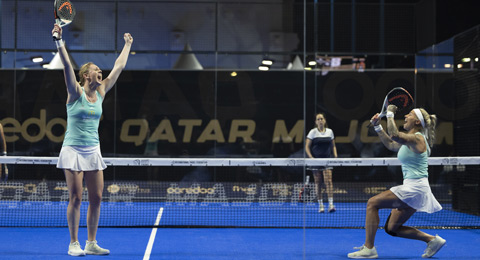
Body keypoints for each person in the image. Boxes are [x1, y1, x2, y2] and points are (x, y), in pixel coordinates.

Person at [51, 24, 133, 256]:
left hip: (93, 150)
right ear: (87, 75)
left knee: (96, 197)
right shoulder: (75, 92)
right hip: (73, 150)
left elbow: (119, 67)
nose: (101, 72)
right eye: (96, 69)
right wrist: (58, 40)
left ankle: (91, 242)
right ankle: (74, 244)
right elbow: (67, 65)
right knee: (76, 197)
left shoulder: (102, 91)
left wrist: (127, 45)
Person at [348, 105, 445, 259]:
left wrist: (391, 114)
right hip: (416, 189)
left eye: (410, 114)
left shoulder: (417, 137)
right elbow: (392, 144)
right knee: (392, 228)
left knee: (372, 203)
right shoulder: (411, 140)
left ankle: (369, 248)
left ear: (418, 122)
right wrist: (378, 127)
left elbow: (394, 134)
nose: (406, 116)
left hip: (415, 188)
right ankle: (432, 240)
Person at [305, 112, 338, 213]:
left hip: (327, 160)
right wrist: (311, 158)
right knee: (318, 182)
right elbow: (307, 147)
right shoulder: (312, 132)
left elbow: (333, 146)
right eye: (318, 119)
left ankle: (331, 204)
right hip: (316, 161)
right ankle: (321, 205)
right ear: (315, 122)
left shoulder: (330, 132)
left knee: (328, 181)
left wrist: (336, 157)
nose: (320, 121)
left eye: (321, 119)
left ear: (324, 120)